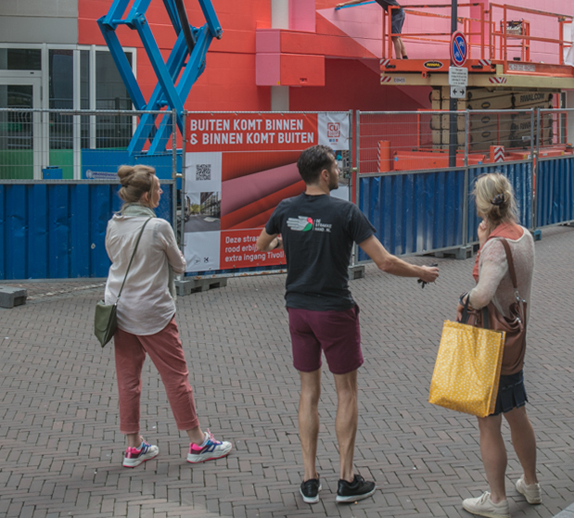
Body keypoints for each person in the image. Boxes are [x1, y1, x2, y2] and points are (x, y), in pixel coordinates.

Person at [256, 145, 438, 505]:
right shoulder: (345, 211)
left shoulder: (286, 209)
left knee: (309, 392)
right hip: (335, 311)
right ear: (324, 174)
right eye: (336, 167)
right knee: (346, 393)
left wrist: (285, 239)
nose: (340, 171)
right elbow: (384, 262)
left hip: (298, 311)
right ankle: (346, 478)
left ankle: (309, 480)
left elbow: (263, 244)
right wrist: (421, 272)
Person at [104, 165, 232, 469]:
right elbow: (180, 265)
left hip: (119, 310)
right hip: (153, 313)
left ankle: (134, 447)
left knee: (128, 380)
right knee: (176, 377)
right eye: (159, 189)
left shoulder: (114, 224)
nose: (163, 193)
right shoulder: (158, 227)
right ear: (147, 195)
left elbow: (116, 259)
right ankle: (199, 442)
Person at [458, 173, 539, 518]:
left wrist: (466, 299)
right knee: (517, 413)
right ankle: (531, 483)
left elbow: (483, 292)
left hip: (491, 341)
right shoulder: (523, 236)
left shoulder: (494, 246)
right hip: (515, 337)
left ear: (482, 204)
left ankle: (496, 499)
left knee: (488, 421)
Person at [337, 0, 408, 59]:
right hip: (398, 12)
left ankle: (398, 58)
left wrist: (343, 3)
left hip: (396, 13)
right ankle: (404, 56)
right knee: (396, 35)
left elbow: (359, 1)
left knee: (394, 37)